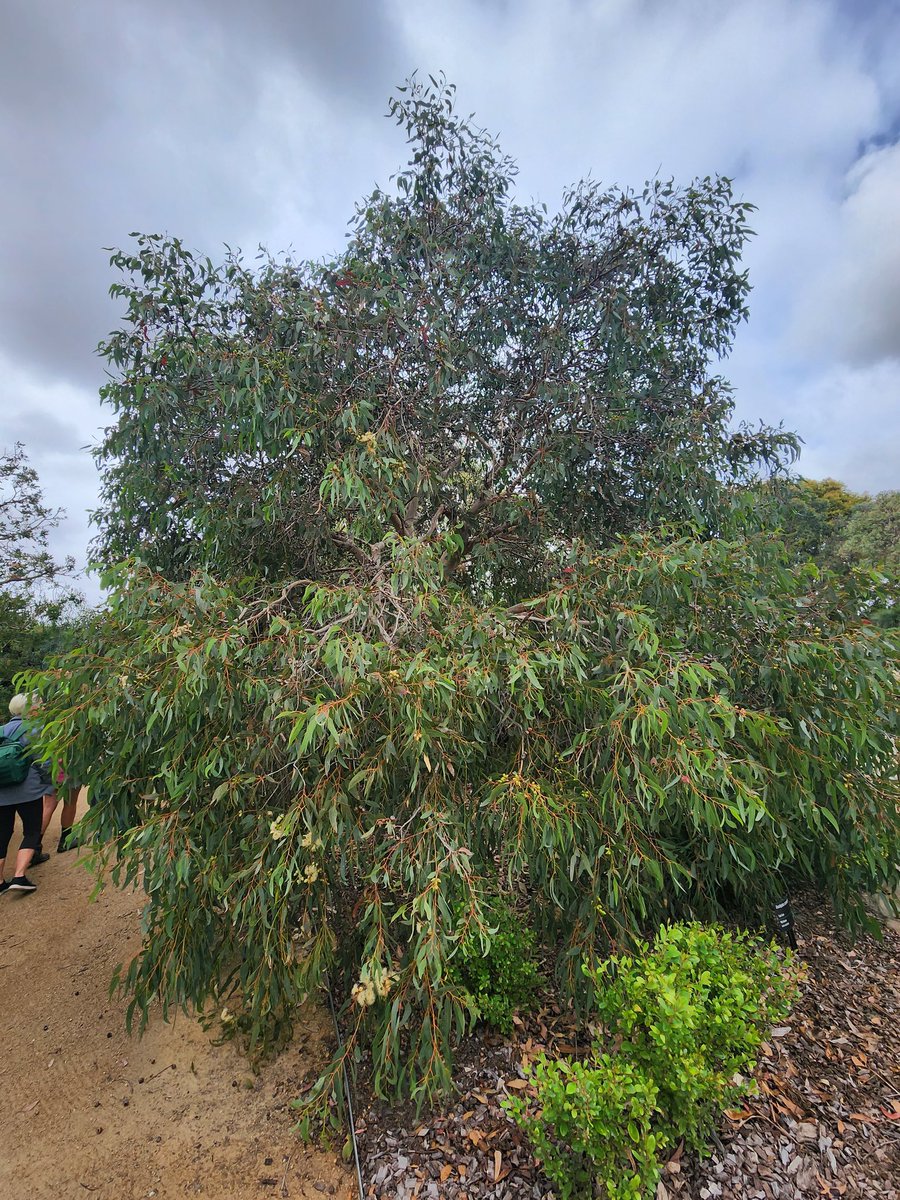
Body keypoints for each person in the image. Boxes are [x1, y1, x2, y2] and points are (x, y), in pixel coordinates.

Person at [0, 693, 56, 894]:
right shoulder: (34, 729)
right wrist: (49, 783)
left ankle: (0, 883)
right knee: (31, 831)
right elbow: (44, 761)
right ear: (29, 710)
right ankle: (19, 876)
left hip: (2, 794)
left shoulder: (1, 730)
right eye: (38, 706)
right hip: (28, 791)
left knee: (2, 835)